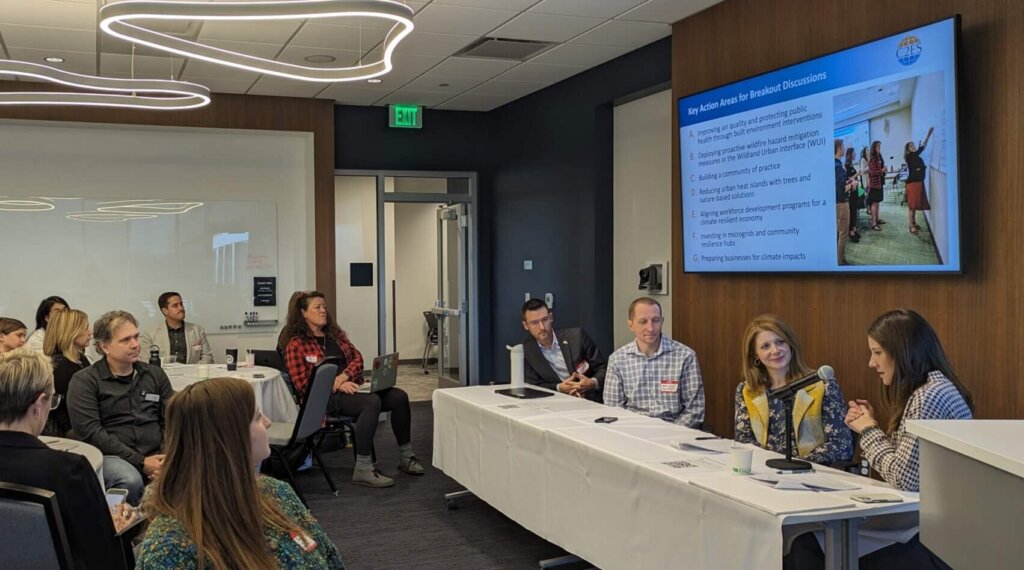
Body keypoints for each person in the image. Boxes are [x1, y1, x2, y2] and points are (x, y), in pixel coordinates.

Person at [135, 377, 344, 569]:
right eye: (257, 417)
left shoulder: (277, 493)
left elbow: (330, 558)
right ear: (228, 438)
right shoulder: (171, 546)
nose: (268, 423)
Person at [0, 348, 139, 569]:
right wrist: (113, 529)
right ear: (39, 404)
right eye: (52, 401)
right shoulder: (68, 469)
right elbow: (102, 556)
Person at [279, 291, 421, 488]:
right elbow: (303, 384)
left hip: (350, 387)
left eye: (324, 307)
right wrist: (334, 383)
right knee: (371, 402)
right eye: (317, 307)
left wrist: (343, 377)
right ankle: (363, 468)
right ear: (303, 313)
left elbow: (357, 358)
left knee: (399, 397)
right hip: (322, 399)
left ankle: (407, 457)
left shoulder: (335, 335)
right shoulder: (296, 344)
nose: (323, 311)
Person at [846, 309, 973, 491]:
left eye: (877, 352)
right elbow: (908, 467)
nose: (872, 363)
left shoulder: (929, 396)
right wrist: (871, 426)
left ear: (902, 351)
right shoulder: (935, 388)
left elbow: (903, 479)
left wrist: (868, 430)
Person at [68, 310, 175, 504]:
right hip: (112, 455)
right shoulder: (85, 381)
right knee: (129, 480)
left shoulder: (155, 375)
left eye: (136, 337)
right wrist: (141, 462)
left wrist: (166, 457)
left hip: (156, 453)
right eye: (126, 340)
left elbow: (171, 420)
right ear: (105, 347)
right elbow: (91, 432)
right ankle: (125, 533)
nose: (135, 344)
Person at [734, 315, 852, 465]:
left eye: (780, 342)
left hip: (811, 473)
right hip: (765, 471)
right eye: (765, 346)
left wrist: (794, 465)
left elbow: (841, 446)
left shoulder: (821, 385)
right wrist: (770, 465)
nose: (775, 350)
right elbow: (744, 442)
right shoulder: (748, 392)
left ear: (790, 344)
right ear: (755, 356)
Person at [604, 297, 705, 427]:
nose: (651, 328)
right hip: (632, 432)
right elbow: (613, 410)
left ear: (662, 321)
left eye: (655, 320)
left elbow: (695, 410)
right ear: (631, 325)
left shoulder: (685, 356)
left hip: (674, 432)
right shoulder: (617, 360)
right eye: (643, 322)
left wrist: (670, 435)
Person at [520, 298, 607, 402]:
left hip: (589, 399)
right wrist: (559, 388)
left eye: (544, 319)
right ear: (526, 325)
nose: (542, 327)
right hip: (554, 404)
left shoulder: (577, 337)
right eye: (534, 323)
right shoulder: (527, 350)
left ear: (551, 317)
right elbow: (533, 385)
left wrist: (593, 382)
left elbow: (603, 369)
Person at [42, 309, 92, 437]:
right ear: (71, 332)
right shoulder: (60, 366)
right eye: (85, 328)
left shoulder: (80, 359)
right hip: (71, 432)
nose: (90, 332)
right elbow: (61, 410)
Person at [139, 291, 213, 364]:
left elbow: (207, 357)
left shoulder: (198, 330)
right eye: (175, 305)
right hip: (163, 375)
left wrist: (195, 371)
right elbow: (145, 362)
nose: (181, 308)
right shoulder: (150, 334)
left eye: (181, 304)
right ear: (165, 311)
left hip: (192, 374)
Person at [903, 127, 934, 235]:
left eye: (913, 145)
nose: (914, 147)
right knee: (912, 206)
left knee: (915, 205)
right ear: (908, 150)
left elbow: (922, 147)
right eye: (911, 146)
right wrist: (928, 134)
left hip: (918, 183)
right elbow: (922, 147)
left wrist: (928, 134)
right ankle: (911, 225)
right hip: (912, 184)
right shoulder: (910, 156)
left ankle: (913, 222)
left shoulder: (915, 155)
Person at [834, 139, 857, 265]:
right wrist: (852, 184)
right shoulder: (838, 166)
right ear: (838, 148)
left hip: (838, 202)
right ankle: (841, 261)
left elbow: (839, 184)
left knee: (839, 232)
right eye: (842, 146)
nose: (844, 148)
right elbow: (841, 189)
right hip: (842, 203)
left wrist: (848, 182)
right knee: (843, 233)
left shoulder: (834, 165)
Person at [867, 141, 886, 231]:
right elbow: (873, 172)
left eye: (880, 146)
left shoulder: (879, 156)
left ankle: (877, 219)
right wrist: (882, 170)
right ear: (873, 148)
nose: (879, 148)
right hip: (874, 184)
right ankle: (873, 223)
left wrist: (883, 170)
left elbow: (880, 169)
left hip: (880, 182)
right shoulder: (872, 159)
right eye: (877, 146)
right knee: (874, 203)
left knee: (877, 202)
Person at [844, 146, 862, 243]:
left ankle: (854, 229)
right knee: (852, 211)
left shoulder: (850, 164)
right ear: (850, 154)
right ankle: (851, 231)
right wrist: (857, 174)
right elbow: (848, 179)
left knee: (855, 211)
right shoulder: (847, 165)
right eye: (854, 153)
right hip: (851, 192)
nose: (855, 154)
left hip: (855, 190)